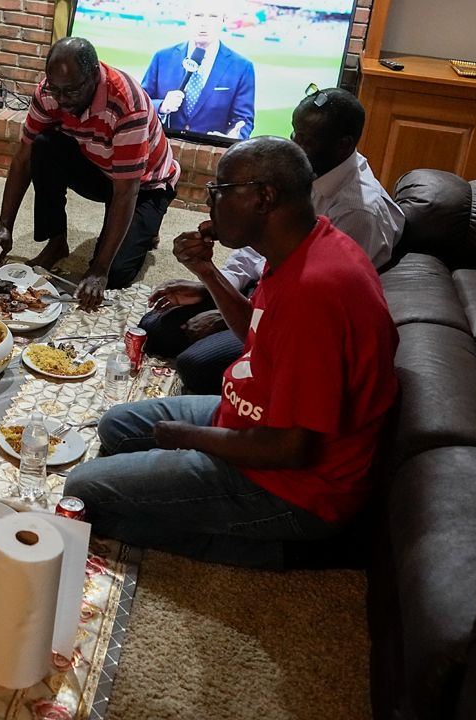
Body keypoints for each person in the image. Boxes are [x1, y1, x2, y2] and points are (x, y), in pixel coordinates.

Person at [64, 137, 398, 568]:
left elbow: (291, 449)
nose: (208, 204)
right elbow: (256, 332)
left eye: (219, 192)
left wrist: (188, 440)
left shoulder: (316, 291)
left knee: (84, 494)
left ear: (264, 197)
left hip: (294, 484)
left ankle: (285, 548)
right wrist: (206, 273)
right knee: (116, 426)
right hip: (251, 417)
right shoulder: (302, 246)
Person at [142, 87, 405, 394]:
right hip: (270, 290)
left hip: (299, 321)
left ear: (343, 145)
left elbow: (309, 304)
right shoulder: (304, 172)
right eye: (295, 132)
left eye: (306, 138)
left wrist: (227, 316)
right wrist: (217, 285)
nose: (295, 144)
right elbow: (262, 247)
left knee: (195, 365)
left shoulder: (358, 212)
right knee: (154, 328)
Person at [0, 37, 180, 307]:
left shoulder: (126, 104)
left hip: (145, 185)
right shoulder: (48, 93)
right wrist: (4, 227)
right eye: (56, 90)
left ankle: (147, 229)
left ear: (94, 76)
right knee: (44, 145)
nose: (62, 100)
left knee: (116, 274)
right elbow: (23, 160)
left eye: (72, 91)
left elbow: (126, 192)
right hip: (100, 167)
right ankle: (56, 241)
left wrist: (99, 269)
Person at [141, 5, 255, 139]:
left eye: (213, 17)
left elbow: (243, 120)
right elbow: (141, 104)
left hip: (210, 154)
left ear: (223, 20)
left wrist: (233, 138)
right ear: (188, 18)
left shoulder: (242, 67)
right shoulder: (162, 57)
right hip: (162, 149)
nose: (204, 23)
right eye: (198, 15)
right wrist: (161, 106)